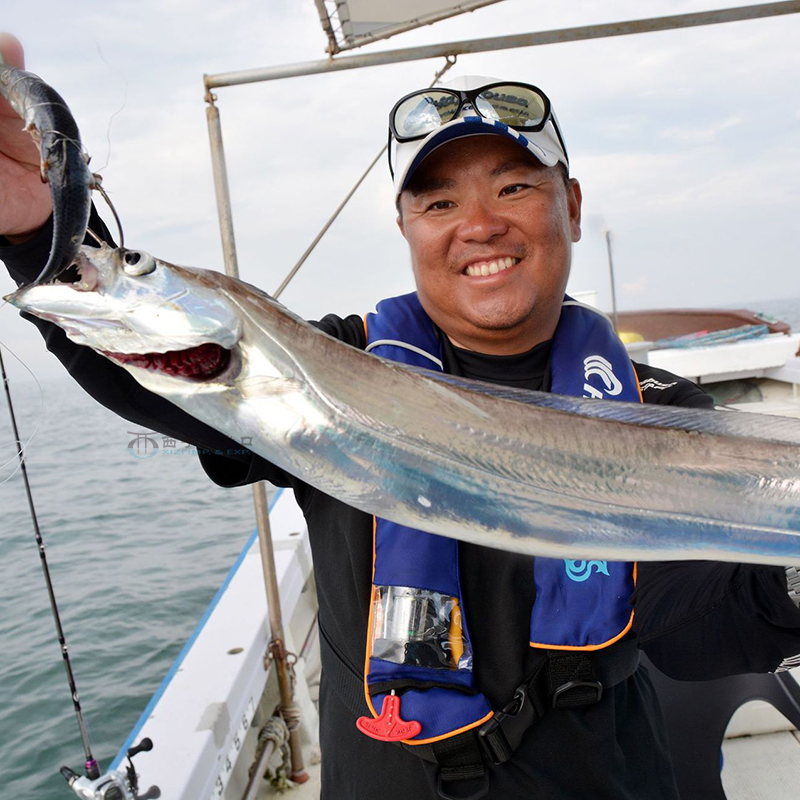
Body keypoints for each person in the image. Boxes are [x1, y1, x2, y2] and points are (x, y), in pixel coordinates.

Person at [3, 35, 800, 799]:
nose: (479, 223)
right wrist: (42, 234)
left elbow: (700, 629)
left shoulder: (659, 413)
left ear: (574, 205)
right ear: (408, 230)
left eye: (515, 186)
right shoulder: (332, 364)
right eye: (440, 199)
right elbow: (148, 369)